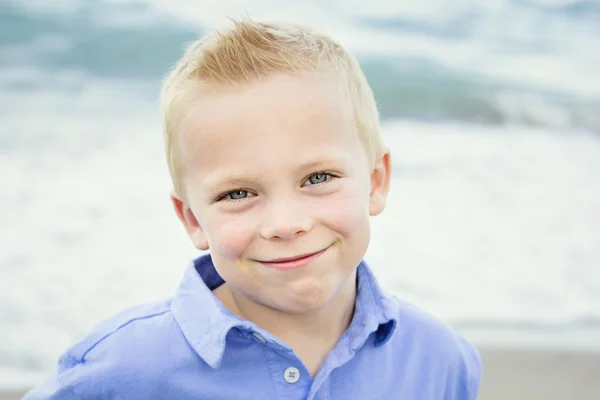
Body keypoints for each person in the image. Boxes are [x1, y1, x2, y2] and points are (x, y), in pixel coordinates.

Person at [24, 17, 481, 400]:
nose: (285, 224)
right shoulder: (123, 371)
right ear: (191, 218)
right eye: (238, 194)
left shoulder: (439, 362)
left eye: (317, 178)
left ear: (376, 182)